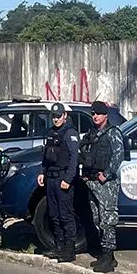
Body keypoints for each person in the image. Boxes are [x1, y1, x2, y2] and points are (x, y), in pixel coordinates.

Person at [80, 100, 125, 273]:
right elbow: (84, 153)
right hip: (92, 182)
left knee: (108, 219)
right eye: (93, 113)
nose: (95, 116)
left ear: (105, 115)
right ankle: (106, 255)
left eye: (98, 113)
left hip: (106, 184)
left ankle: (108, 256)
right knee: (97, 219)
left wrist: (105, 175)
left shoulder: (113, 133)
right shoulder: (92, 133)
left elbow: (118, 155)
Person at [39, 102, 80, 263]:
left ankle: (69, 250)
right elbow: (46, 157)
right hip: (51, 178)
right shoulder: (51, 132)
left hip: (63, 179)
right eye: (54, 116)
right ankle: (59, 247)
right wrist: (42, 173)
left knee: (66, 215)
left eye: (58, 116)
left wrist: (68, 179)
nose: (55, 119)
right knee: (54, 214)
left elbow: (73, 159)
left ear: (65, 116)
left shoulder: (69, 133)